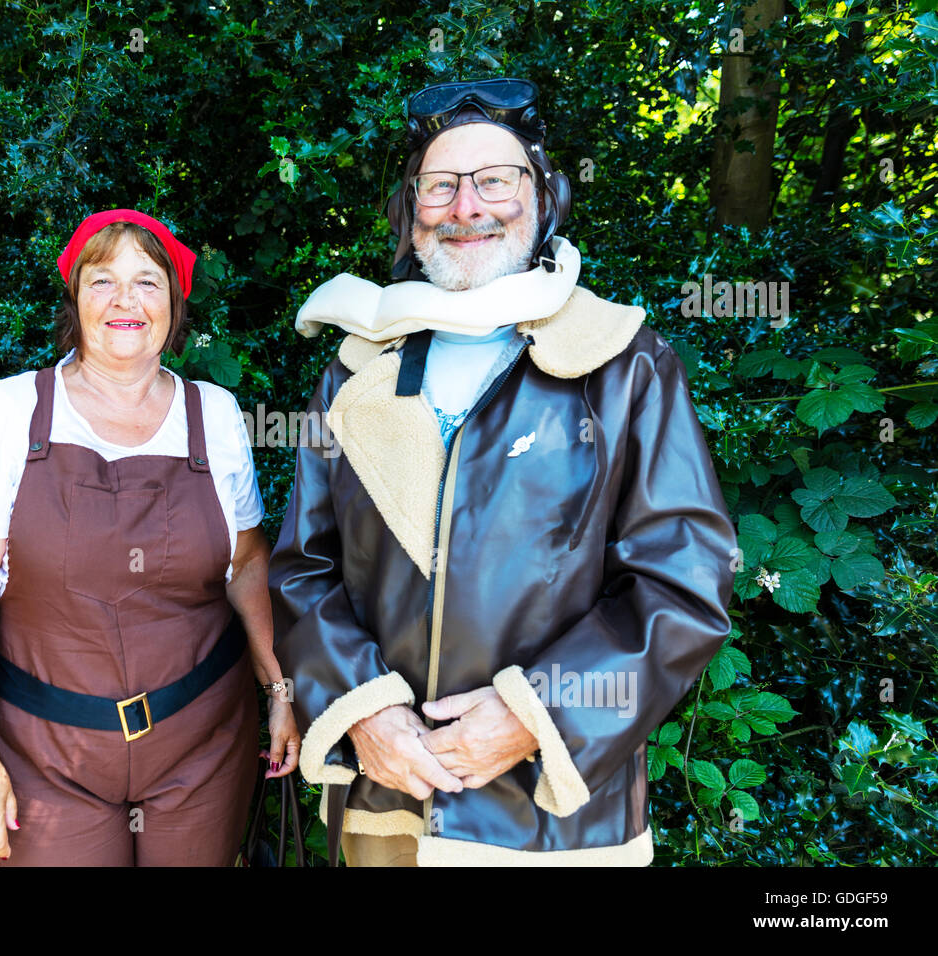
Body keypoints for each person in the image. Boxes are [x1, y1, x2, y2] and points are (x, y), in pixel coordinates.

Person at [268, 78, 737, 866]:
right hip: (389, 796)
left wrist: (535, 713)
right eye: (439, 186)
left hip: (551, 814)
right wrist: (364, 712)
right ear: (409, 209)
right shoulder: (356, 371)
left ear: (542, 197)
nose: (466, 206)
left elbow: (682, 579)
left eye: (494, 180)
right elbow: (303, 568)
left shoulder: (623, 366)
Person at [0, 208, 299, 867]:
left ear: (175, 306)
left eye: (148, 282)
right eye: (103, 281)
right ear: (75, 298)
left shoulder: (216, 416)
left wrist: (281, 691)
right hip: (46, 754)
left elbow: (246, 565)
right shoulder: (6, 415)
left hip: (203, 746)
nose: (126, 300)